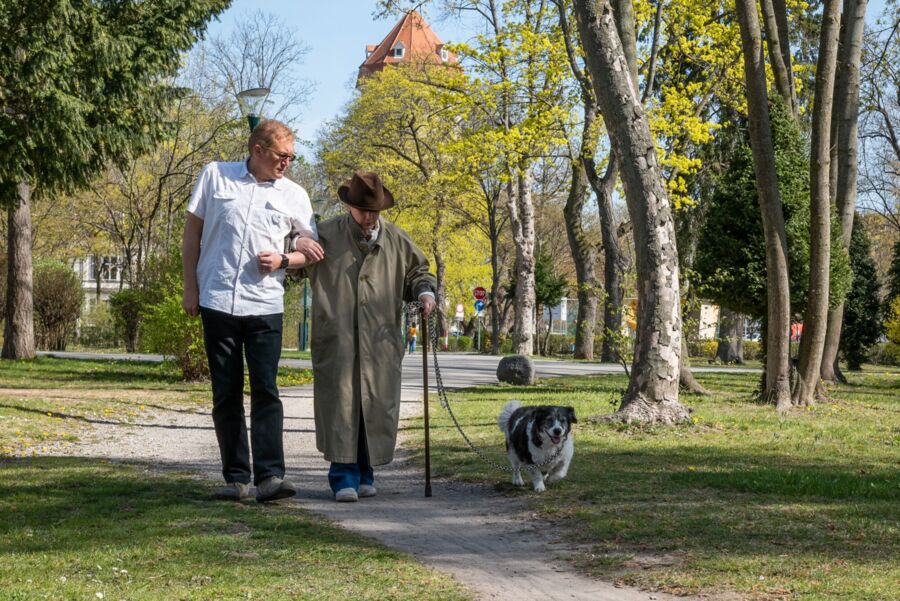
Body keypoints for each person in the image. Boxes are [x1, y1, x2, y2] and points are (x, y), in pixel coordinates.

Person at [182, 119, 324, 503]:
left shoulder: (295, 195)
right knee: (225, 393)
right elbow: (192, 233)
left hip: (264, 306)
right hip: (216, 300)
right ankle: (236, 479)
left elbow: (310, 251)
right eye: (282, 156)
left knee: (266, 391)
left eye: (292, 157)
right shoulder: (215, 176)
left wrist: (283, 259)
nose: (287, 163)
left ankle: (270, 477)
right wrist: (190, 287)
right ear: (257, 150)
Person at [299, 171, 436, 502]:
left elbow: (419, 272)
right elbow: (295, 263)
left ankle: (366, 471)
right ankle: (342, 476)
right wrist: (296, 243)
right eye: (363, 211)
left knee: (373, 406)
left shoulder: (397, 239)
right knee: (341, 405)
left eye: (374, 211)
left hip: (381, 340)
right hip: (338, 337)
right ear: (349, 207)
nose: (369, 218)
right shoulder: (326, 234)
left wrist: (425, 293)